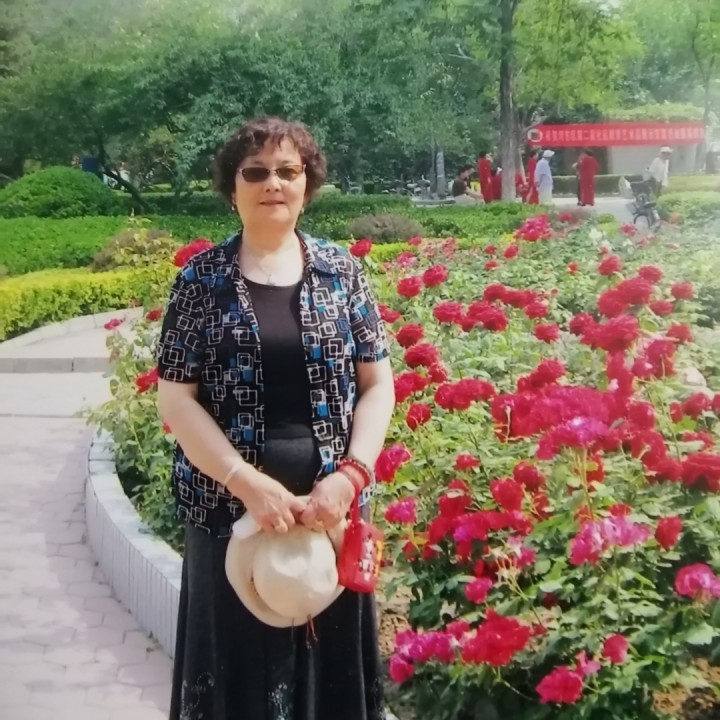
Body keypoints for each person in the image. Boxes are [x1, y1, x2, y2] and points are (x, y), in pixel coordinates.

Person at [157, 116, 395, 720]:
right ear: (231, 186)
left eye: (288, 171)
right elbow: (176, 399)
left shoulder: (342, 273)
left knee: (332, 673)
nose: (273, 183)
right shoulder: (199, 282)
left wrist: (351, 477)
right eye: (255, 172)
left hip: (331, 515)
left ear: (307, 184)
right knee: (234, 675)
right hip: (227, 512)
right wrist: (245, 483)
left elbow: (378, 385)